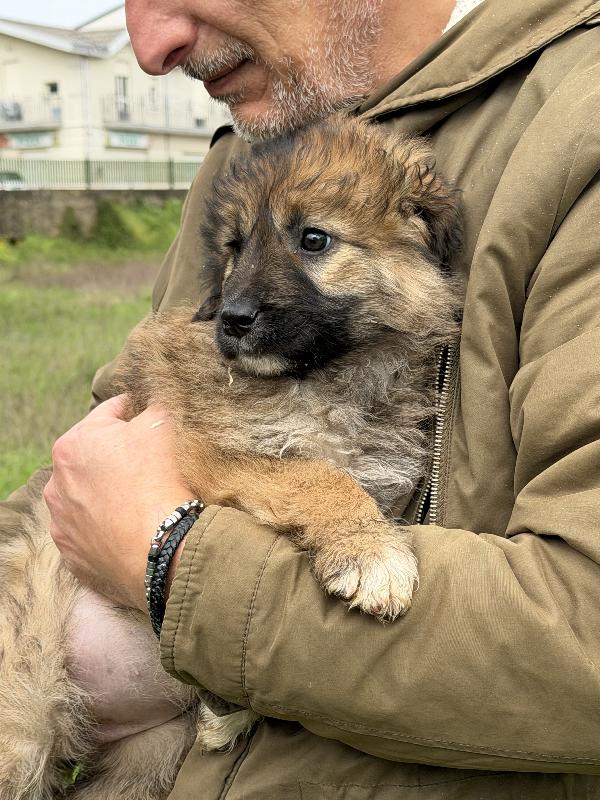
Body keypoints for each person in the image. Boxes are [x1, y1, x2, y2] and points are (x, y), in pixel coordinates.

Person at [6, 0, 600, 796]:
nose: (150, 46)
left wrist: (177, 561)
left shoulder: (573, 130)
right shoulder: (251, 145)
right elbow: (89, 463)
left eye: (313, 242)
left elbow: (582, 646)